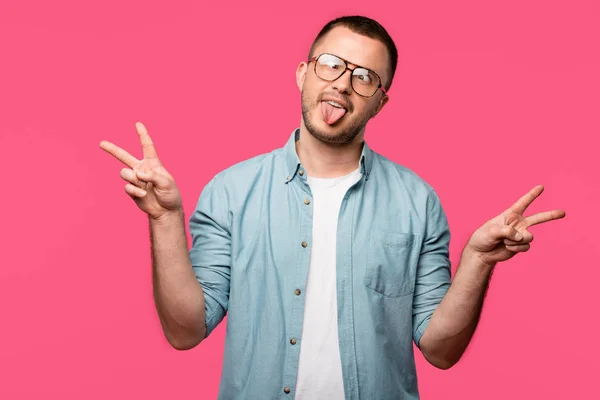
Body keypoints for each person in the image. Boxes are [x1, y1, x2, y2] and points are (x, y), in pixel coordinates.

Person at [100, 15, 565, 400]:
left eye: (364, 77)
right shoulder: (229, 193)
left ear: (381, 101)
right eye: (331, 65)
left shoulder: (417, 202)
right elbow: (185, 331)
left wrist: (478, 260)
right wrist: (164, 220)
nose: (343, 84)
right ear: (303, 73)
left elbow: (440, 350)